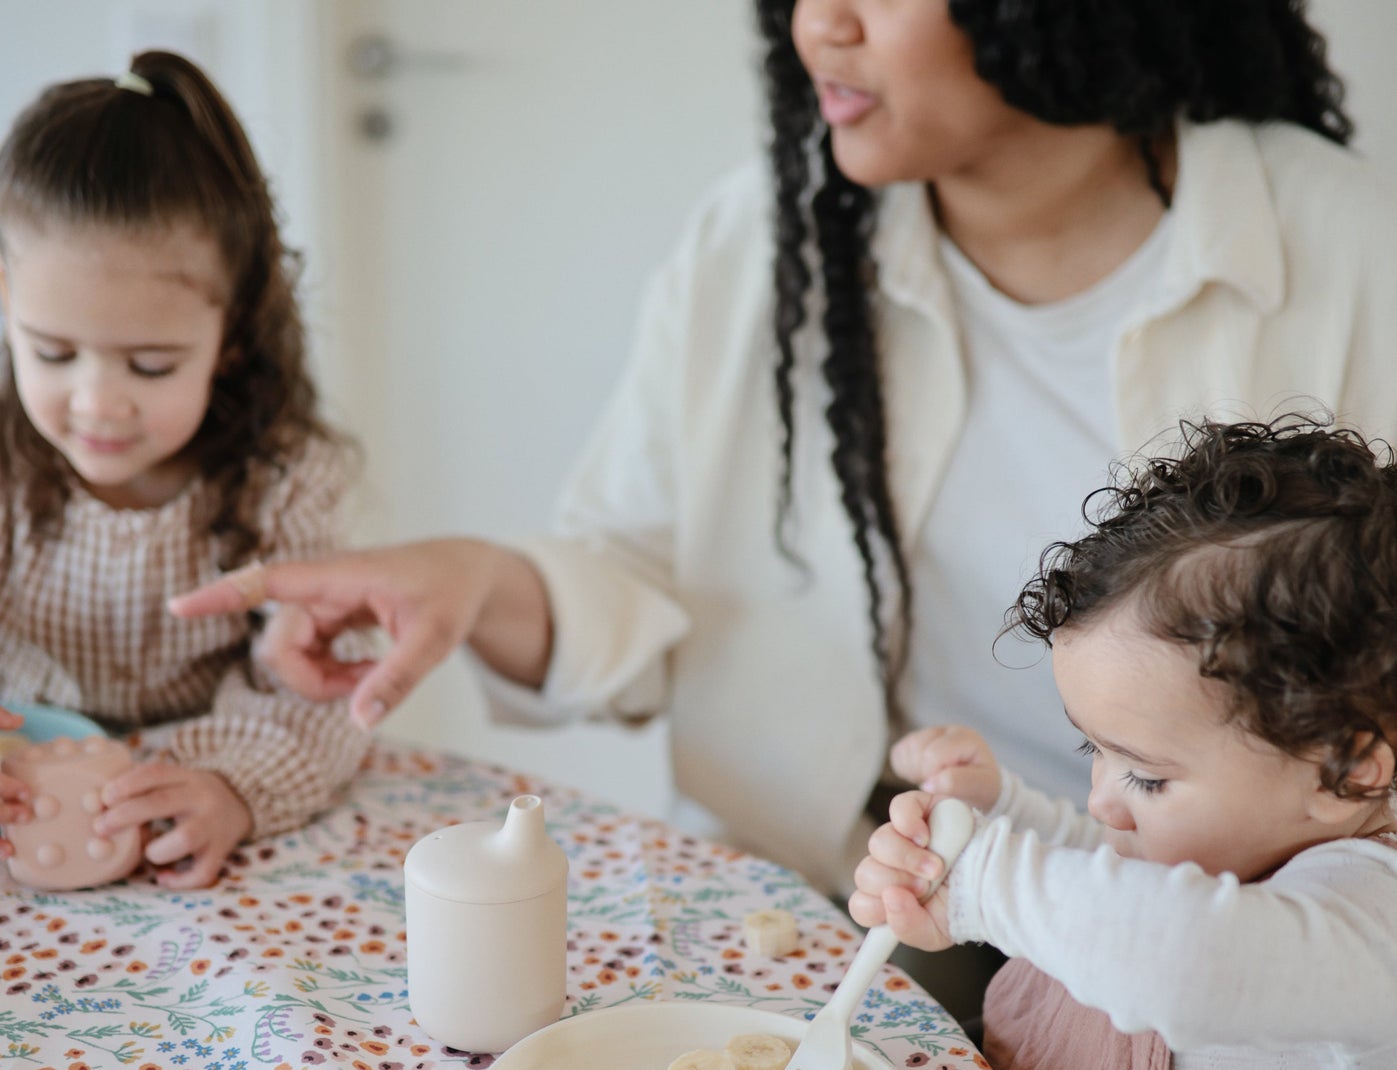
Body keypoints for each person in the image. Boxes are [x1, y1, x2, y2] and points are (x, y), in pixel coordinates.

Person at [172, 4, 1397, 972]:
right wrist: (471, 579)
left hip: (1220, 950)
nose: (818, 24)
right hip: (852, 884)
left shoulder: (1336, 247)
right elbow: (641, 587)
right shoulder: (764, 243)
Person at [853, 416, 1397, 1070]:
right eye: (1091, 751)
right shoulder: (1227, 835)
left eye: (1144, 771)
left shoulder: (1368, 917)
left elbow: (1188, 958)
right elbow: (1113, 873)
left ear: (1349, 766)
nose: (1104, 798)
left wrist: (985, 879)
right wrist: (995, 817)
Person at [0, 50, 368, 887]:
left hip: (187, 832)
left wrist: (234, 788)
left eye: (149, 366)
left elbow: (333, 690)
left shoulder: (279, 481)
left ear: (233, 333)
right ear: (7, 293)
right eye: (54, 352)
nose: (97, 402)